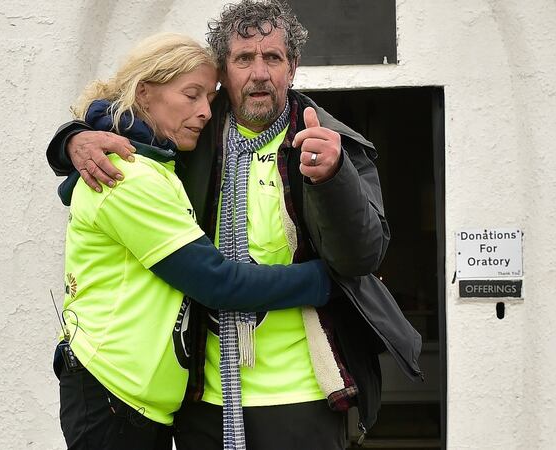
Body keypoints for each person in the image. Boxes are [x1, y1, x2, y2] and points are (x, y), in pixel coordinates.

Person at [47, 1, 423, 449]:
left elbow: (362, 256)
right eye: (244, 58)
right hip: (202, 399)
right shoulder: (193, 130)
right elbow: (126, 121)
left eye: (273, 57)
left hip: (301, 395)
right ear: (223, 70)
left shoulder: (325, 141)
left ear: (293, 67)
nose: (259, 72)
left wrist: (333, 177)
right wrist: (72, 140)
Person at [53, 32, 335, 450]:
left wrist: (73, 137)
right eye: (192, 95)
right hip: (113, 398)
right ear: (145, 94)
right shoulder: (127, 178)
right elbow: (217, 282)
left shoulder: (159, 165)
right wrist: (326, 280)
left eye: (210, 96)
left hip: (139, 403)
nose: (205, 111)